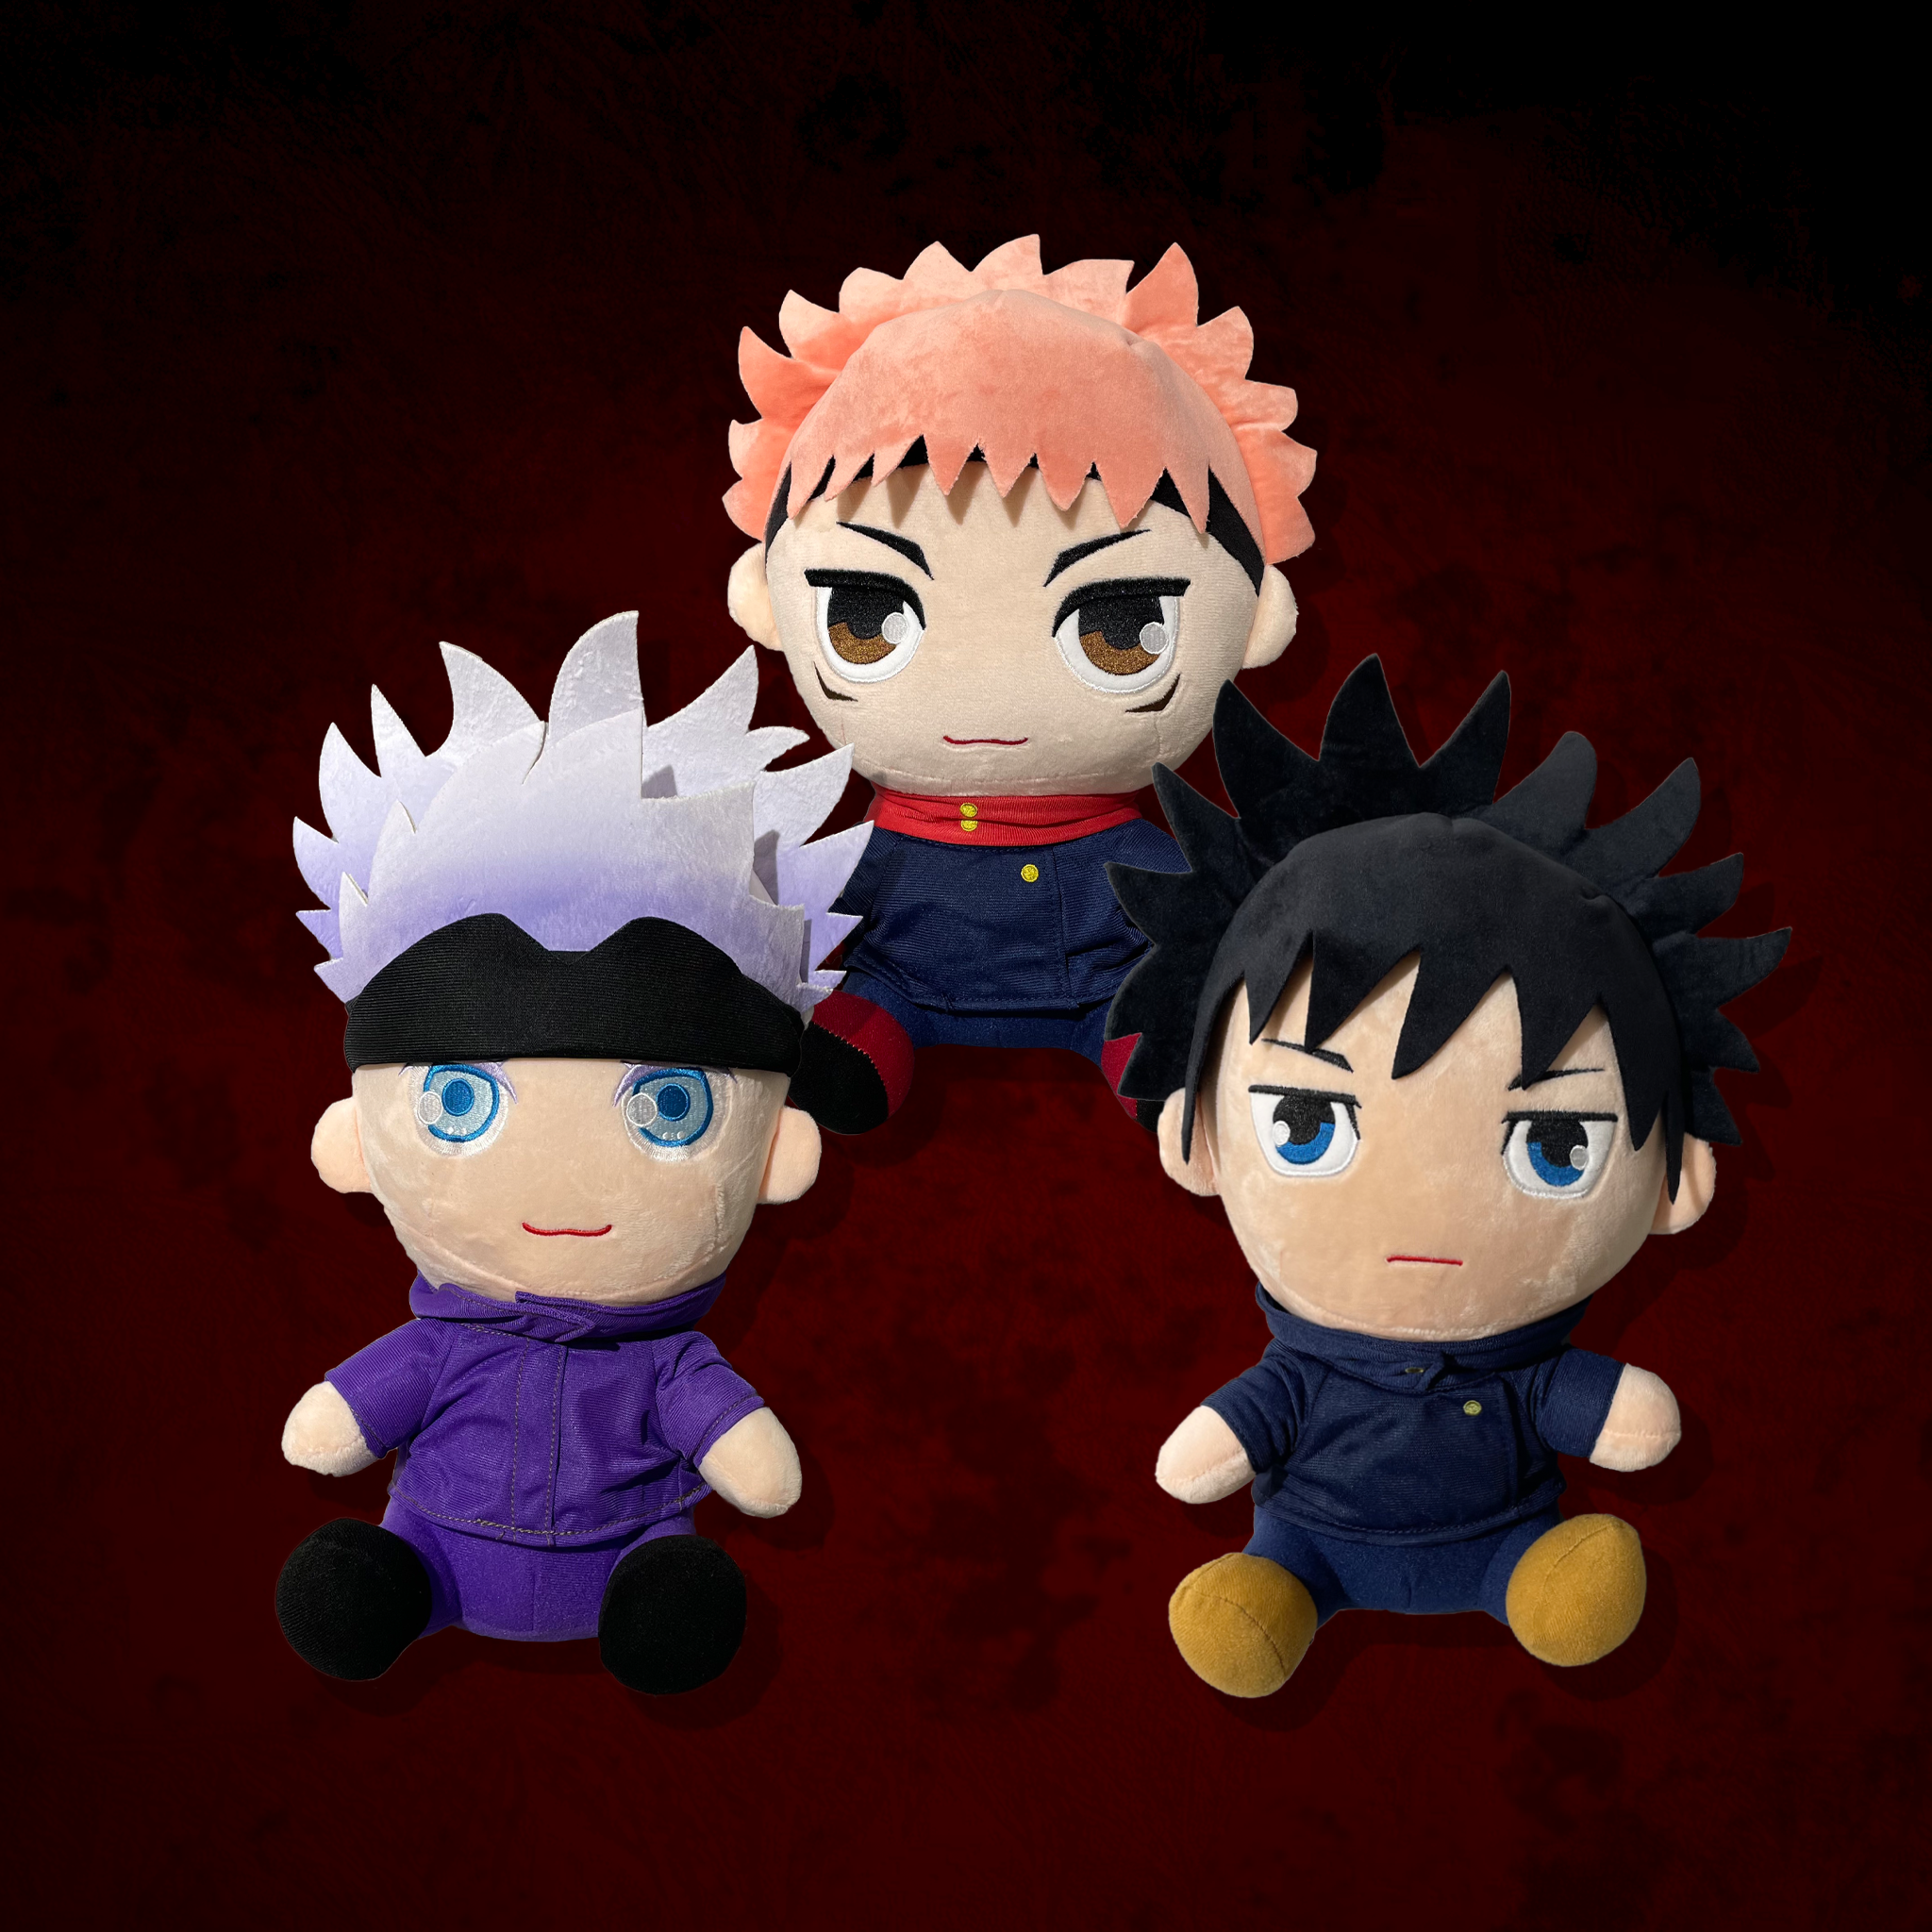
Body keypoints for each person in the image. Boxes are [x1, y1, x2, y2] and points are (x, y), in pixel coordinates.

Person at [1108, 658, 1787, 1693]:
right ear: (1193, 1140)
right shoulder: (1302, 1378)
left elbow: (1628, 1423)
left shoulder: (1529, 1373)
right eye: (1304, 1121)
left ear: (1673, 1182)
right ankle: (1281, 1591)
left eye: (1555, 1144)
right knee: (1254, 1604)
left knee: (1568, 1586)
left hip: (1508, 1533)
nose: (1426, 1213)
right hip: (1307, 1539)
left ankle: (1530, 1584)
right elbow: (1207, 1453)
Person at [275, 615, 868, 1691]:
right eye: (459, 1102)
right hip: (434, 1542)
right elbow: (332, 1429)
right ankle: (395, 1592)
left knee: (676, 1605)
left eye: (671, 1106)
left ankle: (652, 1609)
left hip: (630, 1554)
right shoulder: (439, 1350)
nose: (562, 1180)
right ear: (355, 1144)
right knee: (350, 1591)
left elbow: (750, 1460)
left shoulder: (667, 1362)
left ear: (776, 1153)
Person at [723, 236, 1317, 1132]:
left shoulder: (1133, 854)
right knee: (847, 1035)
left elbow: (1211, 904)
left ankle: (1151, 1064)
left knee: (1160, 1033)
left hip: (1106, 989)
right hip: (896, 983)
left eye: (1119, 630)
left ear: (1255, 620)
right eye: (868, 620)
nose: (987, 690)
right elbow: (801, 906)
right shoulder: (868, 852)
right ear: (768, 606)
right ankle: (869, 1047)